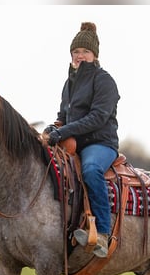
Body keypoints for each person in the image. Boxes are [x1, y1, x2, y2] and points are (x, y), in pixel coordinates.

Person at [46, 21, 120, 258]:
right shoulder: (69, 83)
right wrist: (54, 127)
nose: (80, 56)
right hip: (73, 144)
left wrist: (65, 131)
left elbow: (98, 117)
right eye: (76, 52)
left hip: (100, 143)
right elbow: (63, 116)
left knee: (89, 170)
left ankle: (103, 234)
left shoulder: (104, 80)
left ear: (94, 55)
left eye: (85, 52)